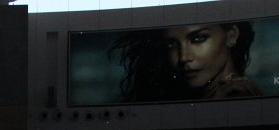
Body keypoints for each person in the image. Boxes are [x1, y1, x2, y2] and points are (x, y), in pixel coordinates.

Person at [111, 22, 260, 102]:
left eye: (198, 38)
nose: (183, 57)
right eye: (172, 45)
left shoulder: (236, 96)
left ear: (231, 35)